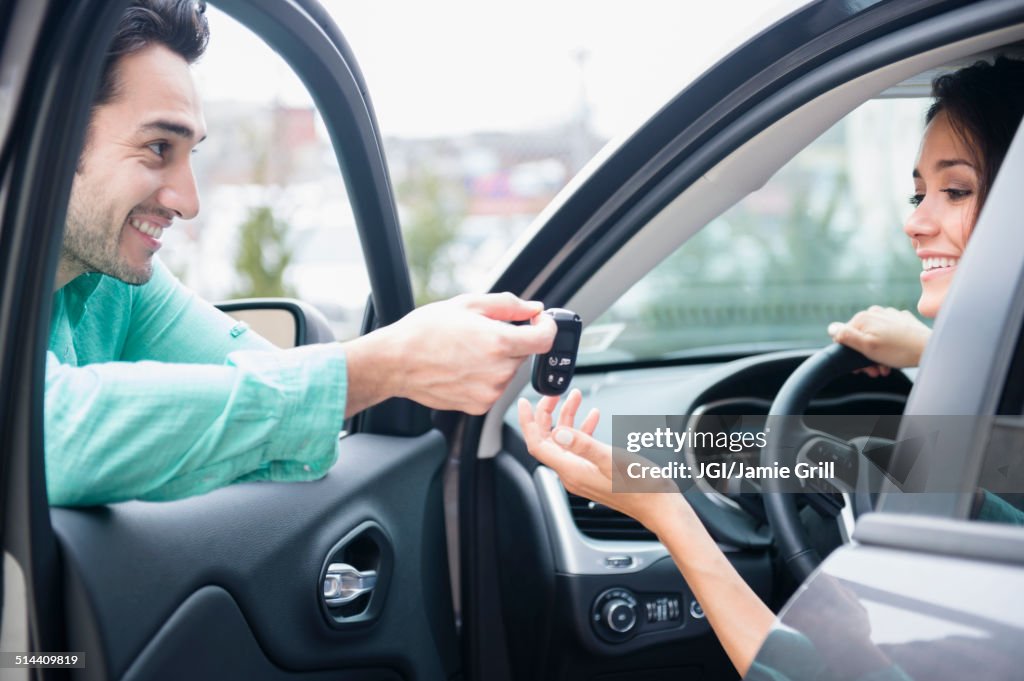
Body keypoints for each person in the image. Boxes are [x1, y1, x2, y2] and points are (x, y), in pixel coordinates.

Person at [519, 56, 1024, 678]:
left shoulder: (963, 508)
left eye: (956, 190)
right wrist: (928, 351)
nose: (914, 222)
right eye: (919, 193)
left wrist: (663, 509)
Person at [47, 0, 556, 506]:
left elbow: (279, 400)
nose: (191, 202)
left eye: (189, 154)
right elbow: (53, 436)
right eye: (159, 148)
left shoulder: (115, 284)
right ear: (53, 135)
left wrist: (407, 358)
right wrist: (386, 363)